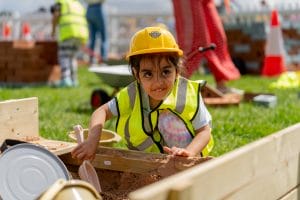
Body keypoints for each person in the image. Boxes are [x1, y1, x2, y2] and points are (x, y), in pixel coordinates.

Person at [71, 27, 214, 161]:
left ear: (177, 70)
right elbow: (101, 111)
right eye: (148, 74)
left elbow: (204, 132)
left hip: (186, 158)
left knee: (166, 119)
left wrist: (188, 152)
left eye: (166, 72)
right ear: (136, 74)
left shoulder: (187, 93)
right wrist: (92, 141)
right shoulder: (132, 93)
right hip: (148, 160)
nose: (158, 82)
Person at [50, 0, 89, 87]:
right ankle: (74, 80)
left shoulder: (61, 2)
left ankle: (66, 79)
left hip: (69, 32)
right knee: (72, 57)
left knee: (64, 56)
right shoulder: (78, 4)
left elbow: (56, 15)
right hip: (81, 33)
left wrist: (53, 31)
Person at [84, 0, 108, 64]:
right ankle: (103, 59)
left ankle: (91, 60)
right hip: (98, 9)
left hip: (89, 10)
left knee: (92, 39)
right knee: (104, 38)